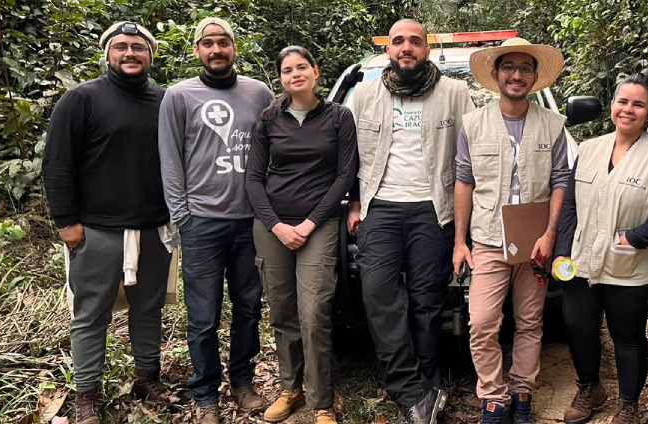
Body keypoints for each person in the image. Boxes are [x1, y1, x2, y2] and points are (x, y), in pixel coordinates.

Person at [346, 18, 475, 424]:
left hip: (433, 210)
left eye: (415, 42)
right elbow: (345, 153)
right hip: (378, 207)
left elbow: (473, 154)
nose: (407, 48)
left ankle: (429, 383)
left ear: (426, 48)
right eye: (398, 41)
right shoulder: (364, 94)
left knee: (426, 300)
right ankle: (411, 389)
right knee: (379, 298)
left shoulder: (455, 93)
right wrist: (352, 201)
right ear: (389, 49)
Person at [43, 21, 172, 424]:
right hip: (97, 229)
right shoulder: (81, 99)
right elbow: (57, 163)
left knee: (148, 308)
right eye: (121, 47)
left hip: (154, 227)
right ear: (108, 53)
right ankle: (87, 395)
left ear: (151, 54)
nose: (130, 53)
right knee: (91, 314)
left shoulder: (165, 101)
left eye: (138, 47)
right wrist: (67, 222)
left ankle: (147, 377)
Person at [553, 72, 648, 424]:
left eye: (638, 104)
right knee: (580, 328)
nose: (628, 109)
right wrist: (562, 251)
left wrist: (636, 236)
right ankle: (589, 388)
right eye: (622, 101)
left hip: (631, 265)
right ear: (612, 105)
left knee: (626, 335)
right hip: (581, 261)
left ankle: (628, 403)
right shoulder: (588, 149)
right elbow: (570, 204)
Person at [158, 17, 274, 423]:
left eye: (223, 42)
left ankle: (242, 382)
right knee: (203, 317)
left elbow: (274, 150)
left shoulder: (259, 93)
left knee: (248, 308)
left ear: (234, 48)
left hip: (251, 224)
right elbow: (170, 160)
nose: (216, 49)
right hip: (201, 224)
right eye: (208, 43)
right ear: (197, 51)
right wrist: (182, 216)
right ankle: (205, 392)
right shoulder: (178, 95)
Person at [452, 37, 570, 424]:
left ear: (535, 77)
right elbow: (464, 181)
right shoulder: (472, 123)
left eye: (525, 68)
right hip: (487, 238)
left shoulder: (553, 125)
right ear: (496, 73)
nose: (516, 75)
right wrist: (459, 242)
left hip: (534, 242)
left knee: (530, 321)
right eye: (509, 67)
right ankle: (492, 396)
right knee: (482, 322)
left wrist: (550, 234)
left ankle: (521, 392)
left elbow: (559, 181)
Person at [246, 45, 358, 424]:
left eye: (302, 67)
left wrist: (309, 223)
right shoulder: (268, 118)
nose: (295, 74)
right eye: (287, 69)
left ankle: (321, 402)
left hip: (319, 224)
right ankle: (290, 389)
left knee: (314, 313)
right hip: (272, 225)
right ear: (280, 77)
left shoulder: (339, 117)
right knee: (282, 311)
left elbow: (344, 176)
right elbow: (253, 179)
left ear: (315, 71)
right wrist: (276, 224)